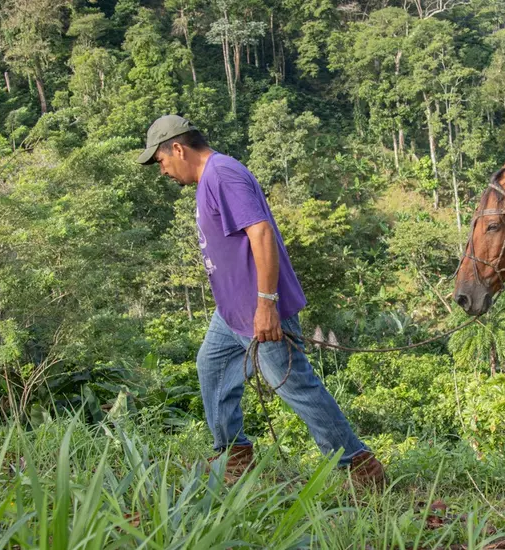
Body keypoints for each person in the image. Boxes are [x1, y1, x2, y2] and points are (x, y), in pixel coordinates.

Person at [137, 115, 385, 488]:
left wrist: (266, 304)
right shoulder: (209, 180)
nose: (163, 171)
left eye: (160, 161)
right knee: (212, 366)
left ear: (177, 148)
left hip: (258, 308)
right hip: (232, 312)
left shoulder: (223, 173)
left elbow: (261, 233)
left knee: (293, 385)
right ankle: (233, 454)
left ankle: (359, 467)